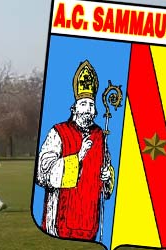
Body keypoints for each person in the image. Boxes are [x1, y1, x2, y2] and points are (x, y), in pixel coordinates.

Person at [35, 63, 114, 241]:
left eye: (91, 105)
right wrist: (78, 157)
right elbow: (43, 173)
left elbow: (107, 166)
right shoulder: (58, 132)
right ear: (74, 108)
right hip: (61, 217)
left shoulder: (100, 135)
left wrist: (106, 176)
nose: (87, 109)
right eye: (83, 104)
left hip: (89, 216)